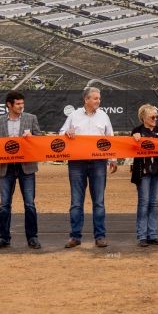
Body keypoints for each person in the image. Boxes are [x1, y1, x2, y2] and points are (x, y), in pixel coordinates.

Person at [60, 86, 117, 249]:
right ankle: (75, 236)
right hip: (77, 162)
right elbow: (61, 133)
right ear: (86, 100)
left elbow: (110, 137)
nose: (98, 101)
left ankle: (100, 236)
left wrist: (112, 159)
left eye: (99, 98)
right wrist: (67, 133)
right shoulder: (73, 115)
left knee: (98, 201)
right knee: (76, 202)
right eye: (95, 98)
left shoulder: (104, 116)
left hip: (99, 162)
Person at [0, 91, 43, 251]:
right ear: (9, 105)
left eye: (22, 104)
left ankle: (32, 237)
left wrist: (32, 136)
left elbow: (40, 139)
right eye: (18, 104)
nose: (21, 106)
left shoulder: (31, 118)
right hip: (7, 168)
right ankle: (3, 238)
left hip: (27, 166)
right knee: (4, 204)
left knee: (29, 204)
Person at [130, 104, 158, 247]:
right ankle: (142, 236)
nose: (155, 118)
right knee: (144, 203)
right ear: (144, 117)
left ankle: (152, 234)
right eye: (153, 116)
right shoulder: (137, 131)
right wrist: (134, 138)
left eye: (157, 116)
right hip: (143, 172)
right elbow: (131, 149)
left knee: (155, 203)